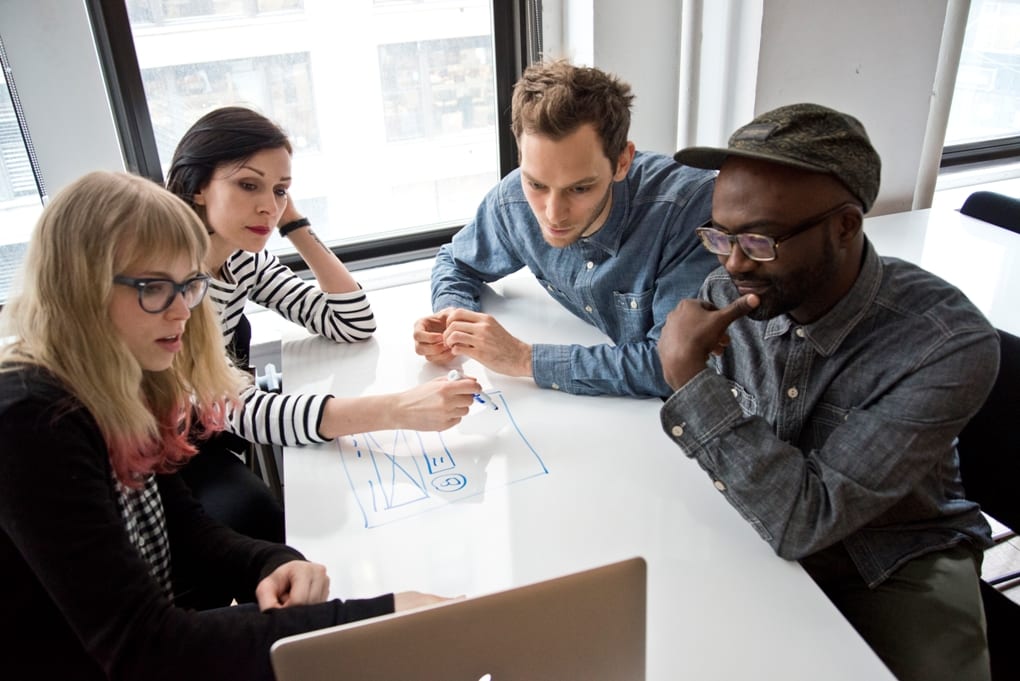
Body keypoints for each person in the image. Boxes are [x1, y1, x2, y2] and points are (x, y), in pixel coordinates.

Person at [0, 171, 451, 680]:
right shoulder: (30, 419)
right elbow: (141, 645)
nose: (181, 312)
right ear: (79, 288)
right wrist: (374, 620)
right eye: (152, 287)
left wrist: (269, 562)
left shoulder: (123, 374)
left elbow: (184, 525)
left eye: (190, 285)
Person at [658, 103, 997, 681]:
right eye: (720, 235)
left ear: (845, 225)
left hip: (895, 553)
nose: (734, 262)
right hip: (758, 520)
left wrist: (691, 379)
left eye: (761, 240)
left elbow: (806, 521)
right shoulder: (732, 286)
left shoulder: (946, 343)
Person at [167, 106, 480, 542]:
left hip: (212, 431)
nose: (267, 206)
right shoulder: (172, 287)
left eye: (280, 191)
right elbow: (244, 411)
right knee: (275, 516)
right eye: (248, 185)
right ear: (198, 186)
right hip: (169, 454)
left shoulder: (240, 259)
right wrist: (399, 409)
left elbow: (351, 321)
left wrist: (293, 224)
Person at [413, 60, 718, 398]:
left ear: (622, 162)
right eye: (537, 183)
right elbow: (455, 261)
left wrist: (523, 359)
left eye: (580, 188)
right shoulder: (513, 199)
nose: (553, 214)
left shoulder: (690, 212)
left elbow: (671, 365)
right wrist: (453, 318)